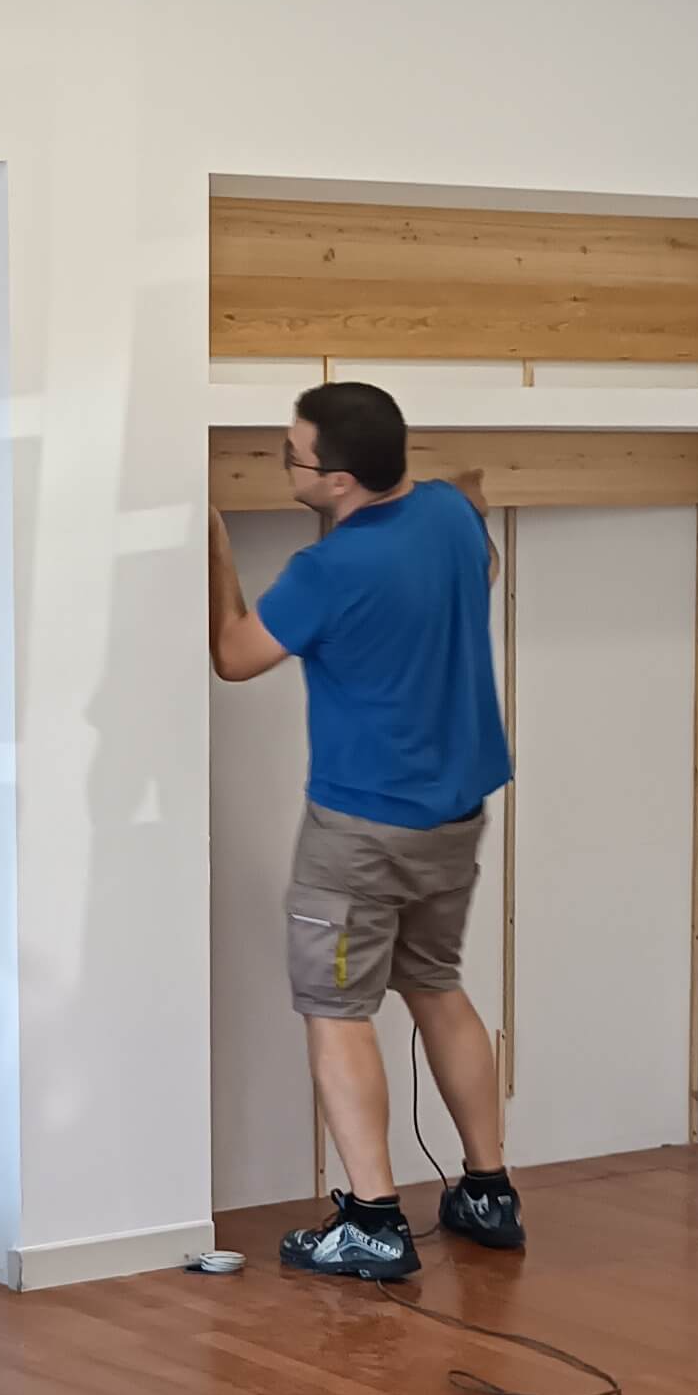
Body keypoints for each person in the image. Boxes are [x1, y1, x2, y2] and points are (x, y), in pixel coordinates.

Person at [208, 379, 524, 1281]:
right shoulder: (451, 516)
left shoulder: (328, 571)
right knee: (437, 987)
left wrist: (215, 547)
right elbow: (479, 546)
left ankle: (374, 1223)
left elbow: (235, 656)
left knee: (337, 1009)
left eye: (293, 455)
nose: (284, 463)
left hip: (360, 833)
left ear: (339, 479)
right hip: (454, 816)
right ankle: (489, 1193)